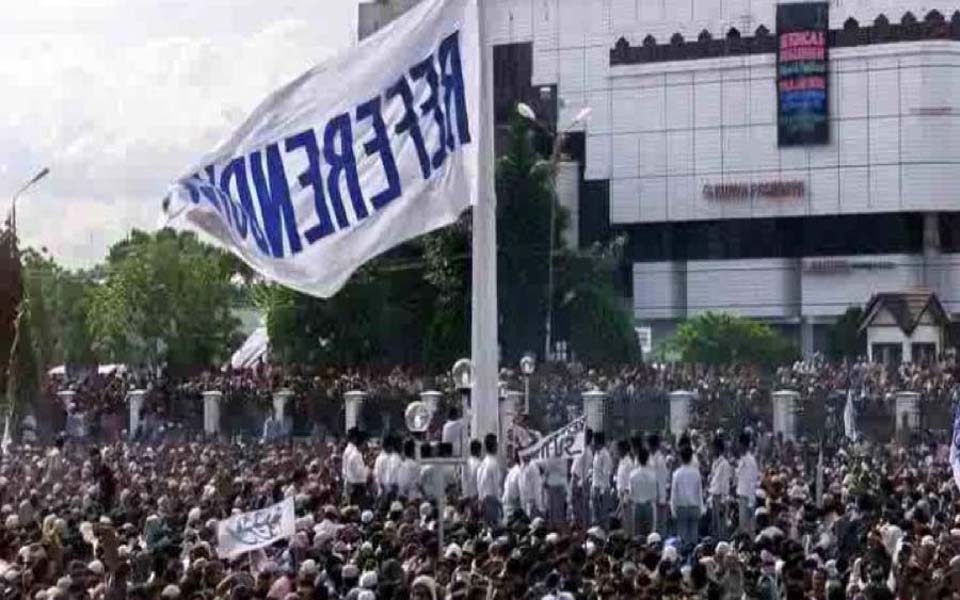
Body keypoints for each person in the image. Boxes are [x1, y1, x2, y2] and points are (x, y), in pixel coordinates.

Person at [670, 444, 704, 549]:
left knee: (682, 538)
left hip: (681, 508)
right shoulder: (696, 473)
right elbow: (699, 492)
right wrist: (701, 508)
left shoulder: (676, 474)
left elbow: (674, 493)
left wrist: (673, 509)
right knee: (693, 537)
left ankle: (683, 559)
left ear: (680, 457)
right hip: (694, 507)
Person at [629, 445, 657, 539]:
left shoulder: (633, 475)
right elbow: (654, 494)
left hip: (637, 506)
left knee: (637, 534)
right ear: (648, 458)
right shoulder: (653, 475)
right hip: (649, 506)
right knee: (649, 534)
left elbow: (631, 493)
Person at [736, 431, 760, 537]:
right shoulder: (742, 460)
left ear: (743, 444)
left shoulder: (750, 461)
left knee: (748, 529)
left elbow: (752, 481)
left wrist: (751, 501)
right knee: (743, 528)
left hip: (747, 497)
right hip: (741, 496)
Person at [476, 434, 503, 528]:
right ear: (495, 445)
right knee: (494, 529)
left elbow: (479, 484)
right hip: (492, 501)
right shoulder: (494, 463)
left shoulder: (482, 464)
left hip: (482, 501)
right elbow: (497, 486)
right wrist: (500, 503)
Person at [708, 435, 732, 540]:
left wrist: (723, 501)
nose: (711, 450)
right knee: (715, 527)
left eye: (712, 448)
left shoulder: (724, 464)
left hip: (720, 498)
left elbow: (725, 484)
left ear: (718, 448)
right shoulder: (715, 463)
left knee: (721, 526)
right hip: (714, 496)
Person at [649, 432, 670, 536]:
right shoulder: (651, 458)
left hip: (659, 496)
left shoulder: (660, 460)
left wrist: (661, 498)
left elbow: (662, 479)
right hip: (652, 495)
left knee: (660, 524)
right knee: (654, 524)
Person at [571, 428, 593, 528]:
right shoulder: (581, 449)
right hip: (574, 477)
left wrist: (581, 482)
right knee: (574, 502)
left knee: (581, 503)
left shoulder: (587, 452)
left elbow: (587, 470)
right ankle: (578, 522)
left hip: (579, 479)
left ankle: (583, 524)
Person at [342, 428, 370, 507]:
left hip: (353, 483)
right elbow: (358, 473)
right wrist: (367, 469)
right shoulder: (354, 454)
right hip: (356, 485)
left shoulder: (357, 453)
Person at [590, 431, 613, 528]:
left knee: (603, 517)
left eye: (594, 441)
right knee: (595, 517)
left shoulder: (605, 455)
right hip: (595, 486)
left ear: (598, 441)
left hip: (602, 490)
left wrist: (602, 491)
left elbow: (606, 474)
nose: (592, 443)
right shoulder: (596, 454)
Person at [615, 439, 635, 537]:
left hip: (626, 499)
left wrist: (625, 500)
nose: (616, 451)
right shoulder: (621, 461)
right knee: (624, 524)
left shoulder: (629, 463)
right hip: (621, 497)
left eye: (617, 449)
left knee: (628, 525)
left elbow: (628, 483)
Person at [543, 452, 568, 528]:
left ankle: (554, 528)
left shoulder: (552, 455)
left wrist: (544, 480)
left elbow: (547, 469)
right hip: (560, 484)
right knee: (559, 510)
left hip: (554, 485)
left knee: (553, 510)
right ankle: (557, 529)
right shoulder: (564, 455)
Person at [519, 454, 544, 519]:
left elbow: (536, 486)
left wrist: (539, 505)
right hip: (523, 500)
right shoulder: (522, 466)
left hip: (532, 501)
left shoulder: (533, 467)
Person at [462, 439, 482, 508]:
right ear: (479, 450)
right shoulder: (479, 464)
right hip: (475, 498)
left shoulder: (465, 463)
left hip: (466, 497)